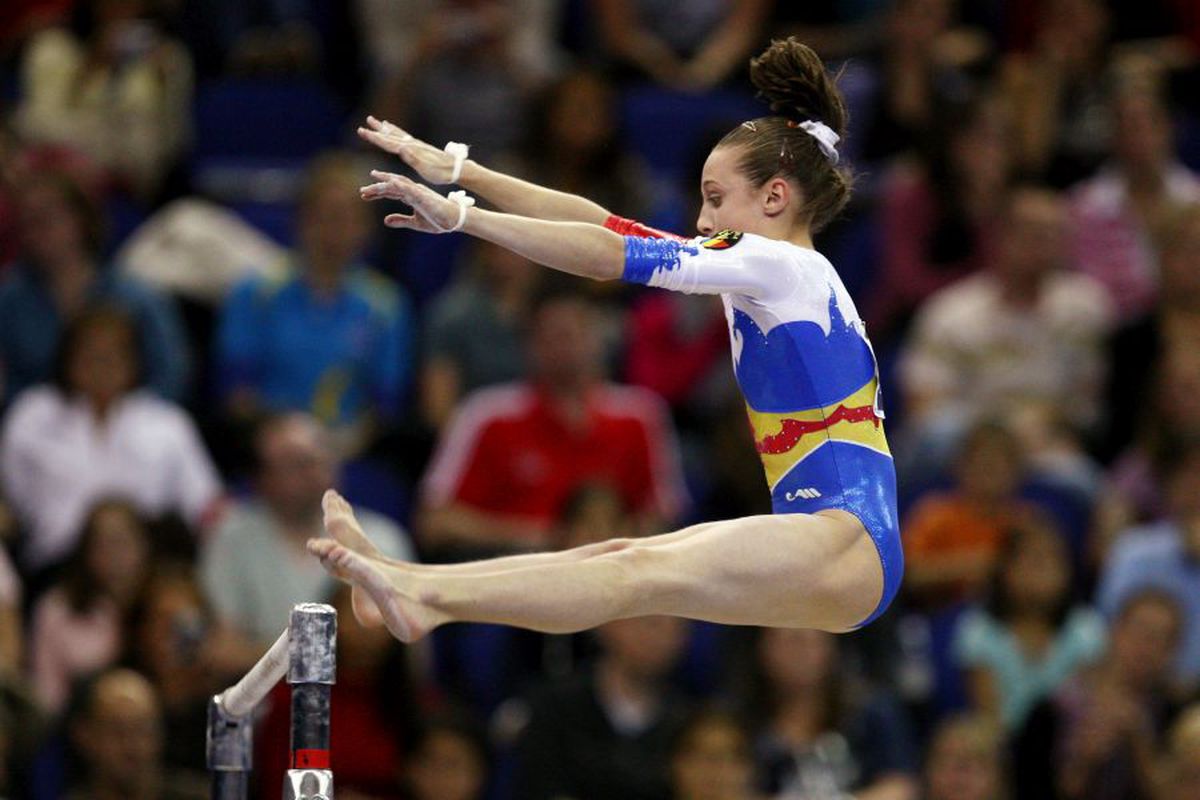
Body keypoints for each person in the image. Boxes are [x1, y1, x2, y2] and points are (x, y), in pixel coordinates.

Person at [309, 37, 902, 644]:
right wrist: (465, 174)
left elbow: (606, 257)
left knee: (636, 568)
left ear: (775, 196)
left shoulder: (777, 264)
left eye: (715, 199)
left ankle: (422, 595)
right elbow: (603, 223)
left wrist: (464, 219)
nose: (701, 220)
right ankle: (407, 585)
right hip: (836, 545)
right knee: (622, 555)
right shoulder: (777, 275)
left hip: (843, 537)